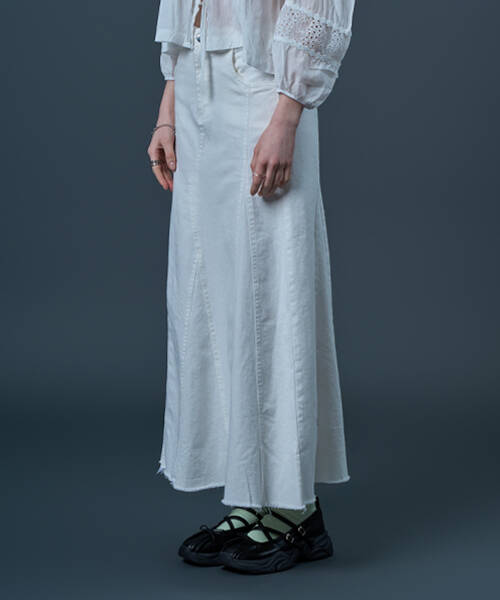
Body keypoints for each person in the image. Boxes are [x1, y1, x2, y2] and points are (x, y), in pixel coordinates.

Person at [148, 0, 356, 574]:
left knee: (273, 289)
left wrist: (288, 114)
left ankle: (296, 509)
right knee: (213, 293)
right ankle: (250, 495)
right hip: (197, 84)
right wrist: (169, 106)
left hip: (264, 85)